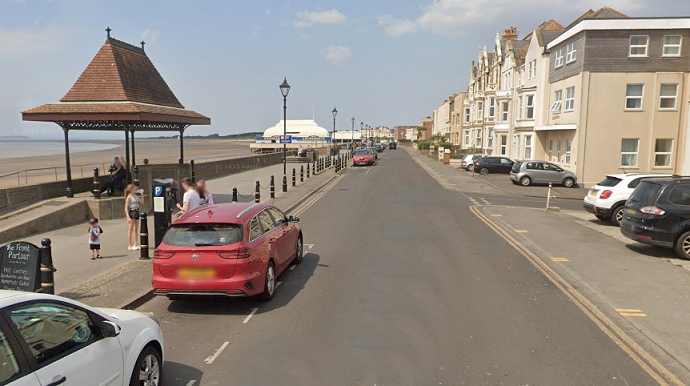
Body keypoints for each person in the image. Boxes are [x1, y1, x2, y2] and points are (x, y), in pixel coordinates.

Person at [124, 184, 143, 250]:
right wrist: (128, 216)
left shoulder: (135, 196)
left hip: (137, 211)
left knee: (136, 229)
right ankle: (130, 244)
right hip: (132, 211)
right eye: (134, 189)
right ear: (131, 190)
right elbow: (126, 207)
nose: (135, 190)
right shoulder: (129, 197)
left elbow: (142, 202)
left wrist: (142, 195)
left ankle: (136, 243)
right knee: (131, 229)